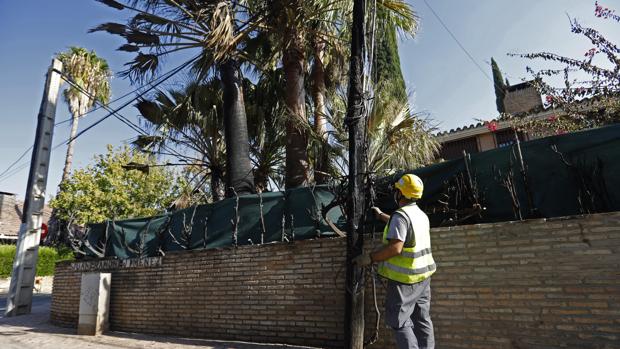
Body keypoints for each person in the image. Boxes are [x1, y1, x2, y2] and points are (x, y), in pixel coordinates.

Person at [353, 173, 436, 349]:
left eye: (397, 190)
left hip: (404, 281)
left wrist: (370, 258)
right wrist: (381, 215)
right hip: (423, 277)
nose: (395, 193)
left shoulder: (401, 215)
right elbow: (403, 226)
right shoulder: (420, 215)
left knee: (400, 322)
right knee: (422, 320)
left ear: (401, 194)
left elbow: (395, 248)